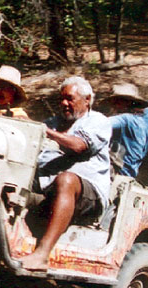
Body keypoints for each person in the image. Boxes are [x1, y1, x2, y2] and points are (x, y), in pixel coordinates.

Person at [19, 76, 112, 273]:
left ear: (87, 100)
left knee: (66, 179)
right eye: (62, 98)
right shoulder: (53, 122)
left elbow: (79, 146)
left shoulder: (98, 122)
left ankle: (42, 254)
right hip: (47, 186)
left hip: (87, 192)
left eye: (70, 98)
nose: (63, 103)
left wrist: (46, 132)